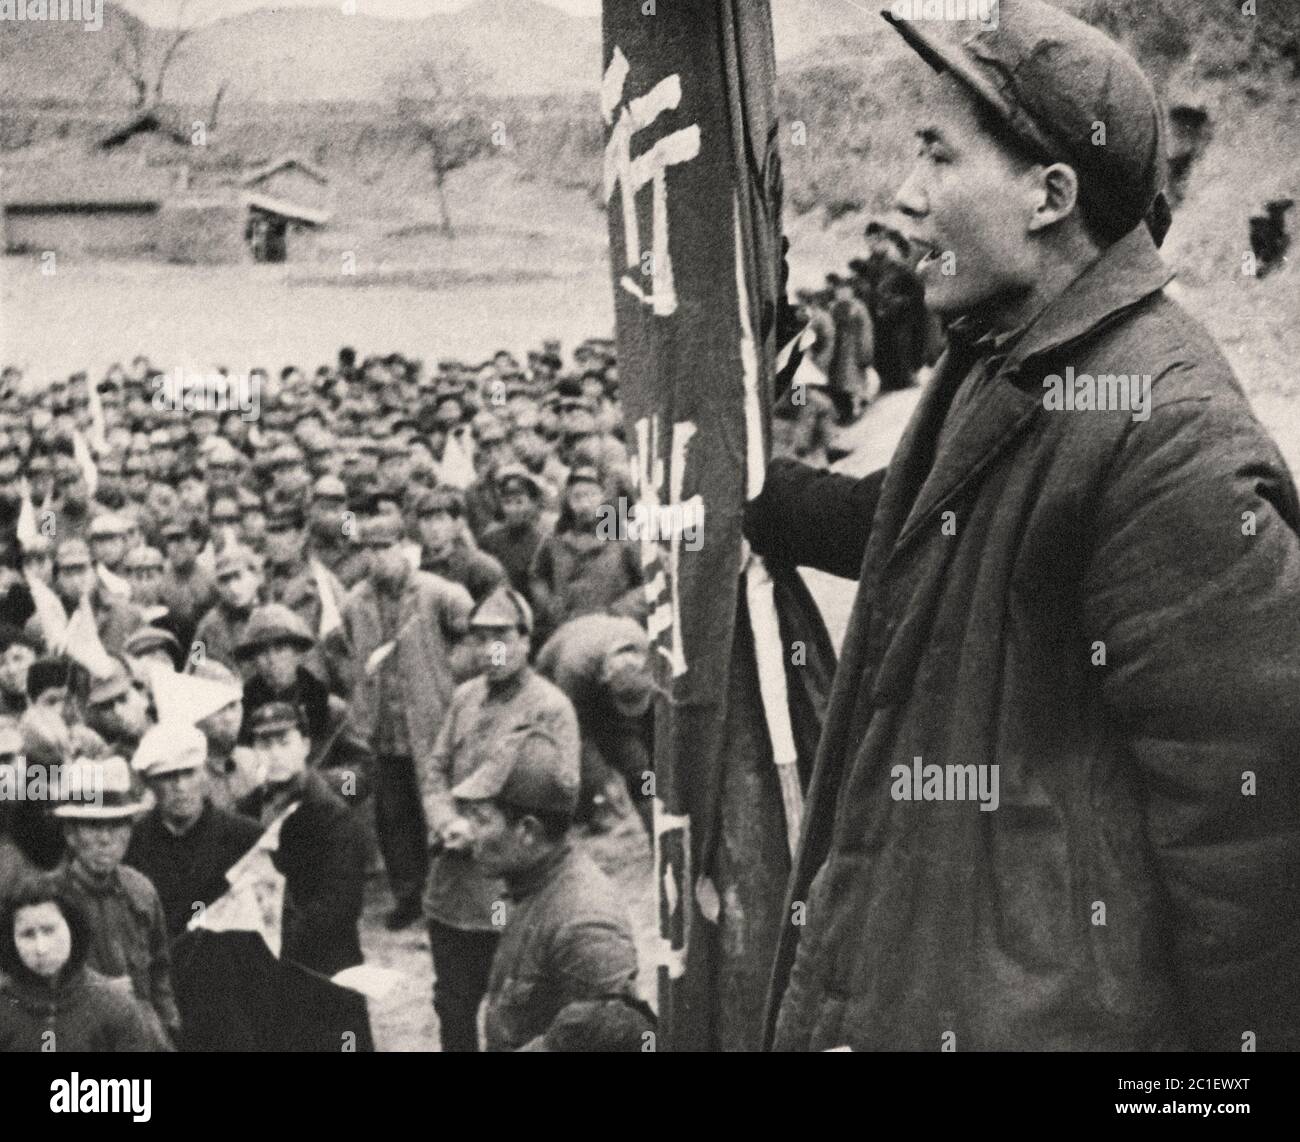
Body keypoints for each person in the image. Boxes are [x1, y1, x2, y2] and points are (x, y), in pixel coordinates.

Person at [745, 0, 1300, 1052]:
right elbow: (944, 531)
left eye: (936, 157)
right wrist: (774, 500)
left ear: (1049, 196)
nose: (904, 197)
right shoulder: (1006, 345)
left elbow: (1251, 837)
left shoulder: (1166, 433)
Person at [420, 586, 579, 1052]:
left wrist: (485, 830)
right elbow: (435, 769)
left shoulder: (551, 707)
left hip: (511, 890)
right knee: (452, 1004)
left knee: (515, 1013)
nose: (492, 650)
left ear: (527, 640)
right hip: (453, 887)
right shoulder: (465, 698)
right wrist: (446, 820)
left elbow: (562, 798)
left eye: (503, 636)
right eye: (481, 638)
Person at [455, 727, 647, 1052]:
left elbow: (622, 1036)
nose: (469, 832)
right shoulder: (530, 884)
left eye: (481, 819)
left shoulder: (583, 923)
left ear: (528, 830)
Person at [341, 512, 475, 930]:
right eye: (370, 549)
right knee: (393, 817)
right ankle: (408, 894)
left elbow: (475, 632)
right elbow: (343, 649)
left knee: (437, 807)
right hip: (382, 730)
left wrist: (451, 674)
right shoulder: (354, 603)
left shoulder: (438, 594)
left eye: (385, 547)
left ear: (404, 547)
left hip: (431, 723)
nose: (378, 558)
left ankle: (449, 896)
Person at [54, 755, 180, 1046]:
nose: (105, 839)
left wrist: (168, 1024)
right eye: (93, 826)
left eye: (116, 825)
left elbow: (159, 969)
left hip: (143, 1036)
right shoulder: (51, 900)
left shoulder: (141, 890)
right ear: (71, 834)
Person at [0, 877, 171, 1052]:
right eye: (27, 934)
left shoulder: (115, 1006)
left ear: (73, 928)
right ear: (11, 940)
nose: (41, 948)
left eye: (49, 930)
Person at [125, 722, 262, 938]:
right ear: (149, 782)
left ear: (205, 773)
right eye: (168, 776)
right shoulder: (132, 844)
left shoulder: (246, 838)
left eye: (189, 773)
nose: (180, 787)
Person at [535, 613, 655, 835]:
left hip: (598, 662)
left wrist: (651, 773)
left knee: (640, 766)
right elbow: (577, 735)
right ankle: (587, 812)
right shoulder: (573, 668)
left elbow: (649, 728)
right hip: (558, 676)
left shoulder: (645, 646)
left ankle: (652, 816)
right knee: (579, 763)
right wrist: (603, 781)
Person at [528, 466, 644, 646]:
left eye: (591, 496)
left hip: (613, 631)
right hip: (566, 630)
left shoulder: (624, 536)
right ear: (567, 501)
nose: (584, 504)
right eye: (577, 497)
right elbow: (537, 575)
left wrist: (620, 610)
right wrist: (550, 606)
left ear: (603, 497)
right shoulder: (555, 538)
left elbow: (649, 581)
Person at [414, 486, 507, 604]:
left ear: (457, 524)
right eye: (427, 520)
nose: (434, 528)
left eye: (440, 519)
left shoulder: (481, 567)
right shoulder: (415, 565)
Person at [479, 465, 551, 601]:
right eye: (507, 502)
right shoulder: (489, 539)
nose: (513, 509)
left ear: (532, 504)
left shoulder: (544, 541)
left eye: (519, 502)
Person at [192, 545, 263, 676]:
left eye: (238, 577)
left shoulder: (274, 617)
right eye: (225, 580)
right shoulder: (207, 625)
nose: (233, 588)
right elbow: (193, 665)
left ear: (257, 577)